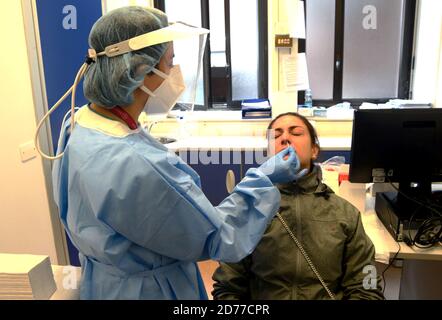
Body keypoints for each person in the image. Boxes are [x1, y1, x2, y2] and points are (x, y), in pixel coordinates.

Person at [48, 7, 307, 300]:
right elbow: (219, 236)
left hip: (105, 284)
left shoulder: (80, 123)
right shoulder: (139, 166)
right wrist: (263, 177)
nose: (175, 72)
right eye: (170, 61)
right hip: (148, 290)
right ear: (140, 71)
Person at [212, 112, 385, 300]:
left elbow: (367, 287)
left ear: (314, 150)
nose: (285, 138)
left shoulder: (346, 214)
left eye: (296, 133)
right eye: (276, 136)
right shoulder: (249, 211)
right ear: (269, 154)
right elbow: (227, 287)